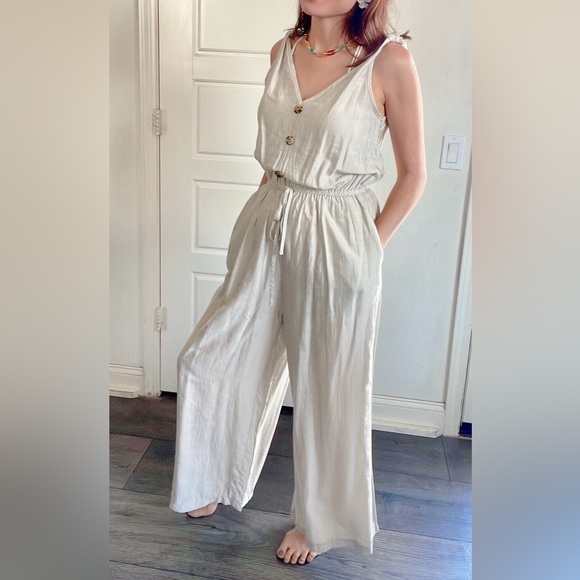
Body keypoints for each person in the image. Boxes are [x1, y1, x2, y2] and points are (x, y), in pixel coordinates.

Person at [170, 0, 426, 566]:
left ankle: (318, 522)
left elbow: (414, 176)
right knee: (210, 357)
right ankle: (213, 475)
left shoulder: (389, 62)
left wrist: (367, 249)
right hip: (269, 219)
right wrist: (261, 214)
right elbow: (279, 153)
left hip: (339, 234)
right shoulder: (282, 51)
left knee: (328, 387)